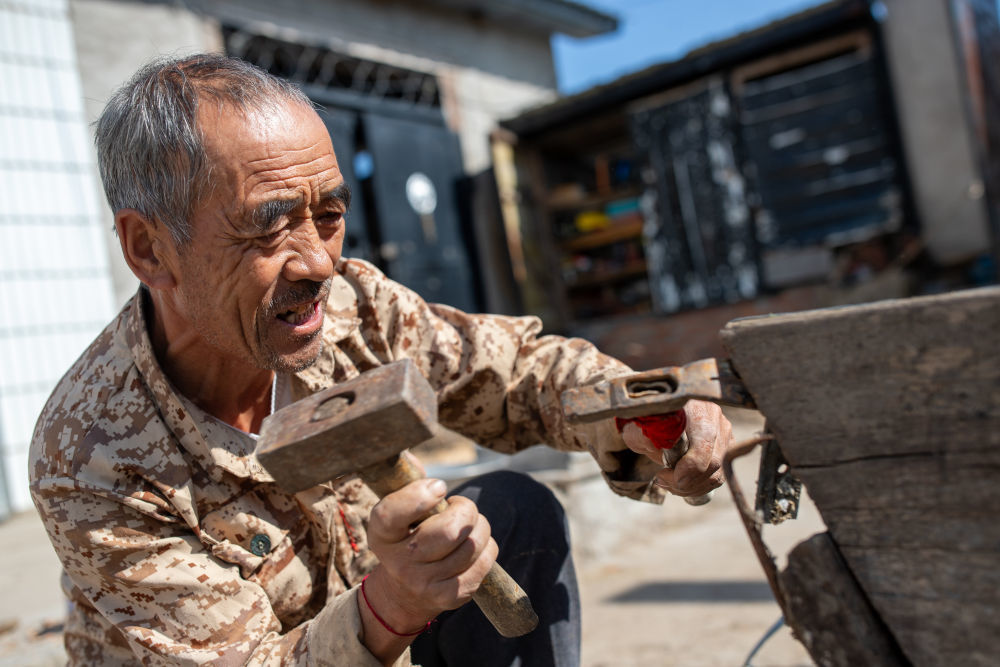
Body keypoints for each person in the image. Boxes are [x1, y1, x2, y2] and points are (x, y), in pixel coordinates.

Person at [29, 54, 731, 666]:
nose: (317, 260)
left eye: (328, 214)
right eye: (269, 225)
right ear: (150, 249)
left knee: (514, 513)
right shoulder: (93, 454)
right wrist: (390, 605)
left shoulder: (348, 306)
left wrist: (640, 407)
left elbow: (514, 373)